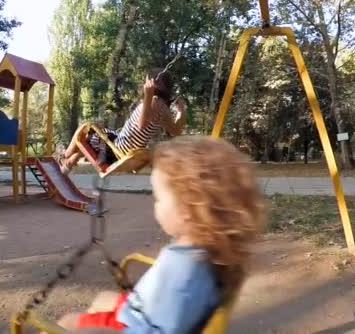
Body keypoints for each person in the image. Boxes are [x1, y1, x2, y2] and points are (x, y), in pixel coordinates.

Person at [55, 136, 265, 333]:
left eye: (159, 198)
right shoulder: (206, 253)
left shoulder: (184, 272)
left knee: (67, 322)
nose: (155, 206)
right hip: (144, 309)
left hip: (139, 324)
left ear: (187, 210)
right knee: (102, 299)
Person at [57, 69, 187, 174]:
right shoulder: (164, 108)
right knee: (94, 138)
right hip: (124, 146)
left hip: (117, 150)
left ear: (154, 83)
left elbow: (142, 125)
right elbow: (176, 131)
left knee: (85, 127)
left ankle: (64, 156)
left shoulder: (154, 102)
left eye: (146, 80)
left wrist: (147, 96)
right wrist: (181, 111)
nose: (144, 84)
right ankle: (68, 164)